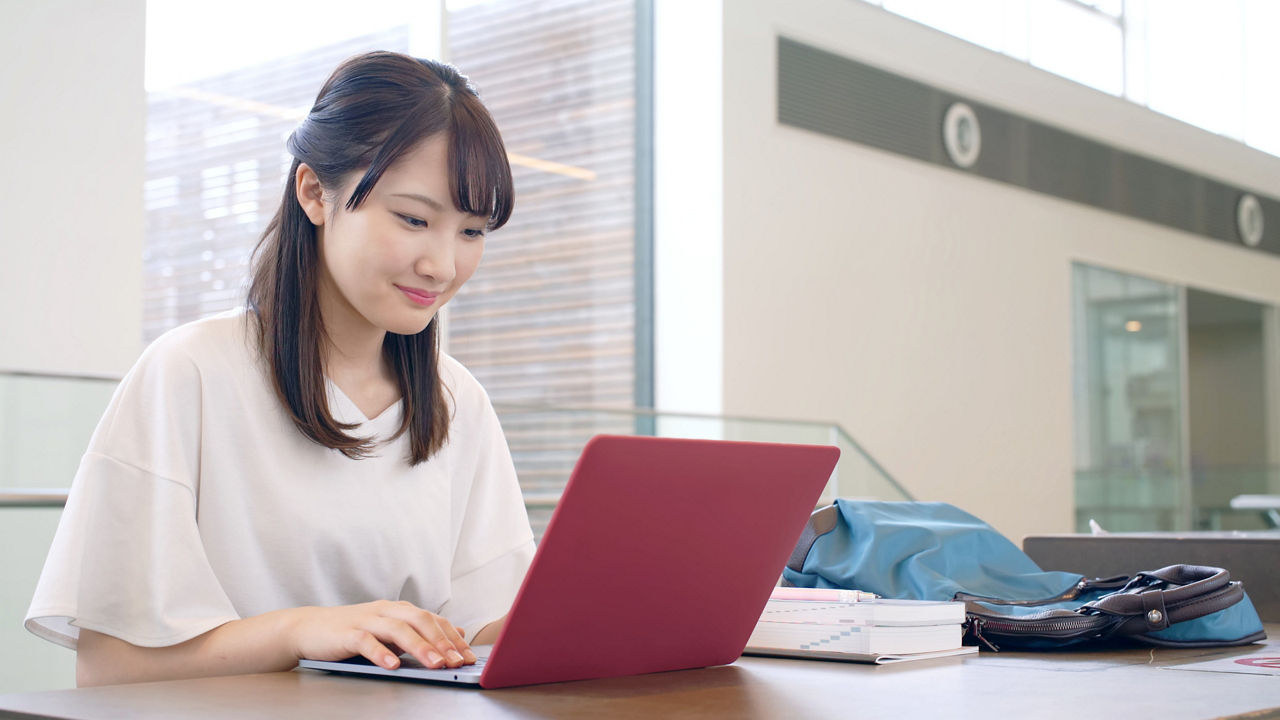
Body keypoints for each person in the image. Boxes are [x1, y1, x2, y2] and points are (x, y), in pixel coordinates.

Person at [24, 51, 534, 687]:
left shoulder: (457, 400)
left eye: (472, 232)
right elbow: (109, 668)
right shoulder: (190, 373)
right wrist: (302, 630)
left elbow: (479, 632)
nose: (442, 265)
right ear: (316, 193)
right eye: (413, 219)